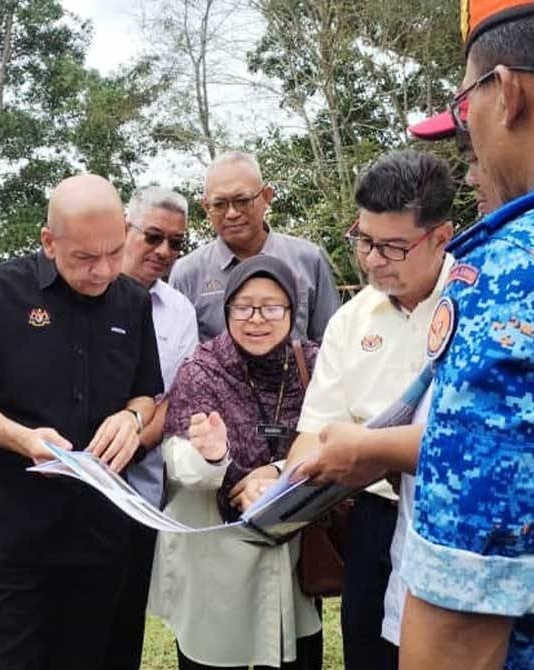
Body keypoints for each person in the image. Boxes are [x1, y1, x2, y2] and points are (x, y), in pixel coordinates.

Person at [384, 2, 534, 667]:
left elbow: (463, 610)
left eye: (465, 103)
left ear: (507, 94)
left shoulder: (526, 269)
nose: (466, 139)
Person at [0, 173, 163, 669]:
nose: (102, 270)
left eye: (113, 251)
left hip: (99, 537)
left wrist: (132, 418)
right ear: (48, 241)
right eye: (84, 257)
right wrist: (23, 439)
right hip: (14, 540)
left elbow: (146, 393)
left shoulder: (131, 300)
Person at [265, 150, 456, 669]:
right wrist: (283, 485)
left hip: (452, 516)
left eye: (392, 246)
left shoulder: (477, 302)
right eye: (364, 240)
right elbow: (315, 430)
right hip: (371, 517)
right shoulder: (352, 320)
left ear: (441, 236)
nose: (372, 260)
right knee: (369, 654)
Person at [149, 255, 323, 670]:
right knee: (213, 656)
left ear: (292, 310)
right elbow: (177, 459)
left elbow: (332, 437)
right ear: (226, 310)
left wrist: (278, 474)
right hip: (215, 557)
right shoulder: (201, 370)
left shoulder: (313, 365)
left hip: (290, 550)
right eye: (243, 307)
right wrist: (211, 457)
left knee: (293, 653)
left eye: (272, 307)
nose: (257, 319)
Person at [117, 186, 200, 667]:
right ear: (124, 230)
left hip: (143, 491)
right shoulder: (90, 294)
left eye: (176, 243)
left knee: (125, 620)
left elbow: (179, 395)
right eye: (152, 236)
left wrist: (131, 443)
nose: (164, 252)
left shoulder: (179, 310)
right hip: (75, 486)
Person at [169, 151, 340, 342]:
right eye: (219, 204)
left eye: (242, 201)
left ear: (266, 197)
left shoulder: (309, 260)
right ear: (206, 207)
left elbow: (331, 343)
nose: (232, 213)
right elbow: (179, 353)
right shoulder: (187, 274)